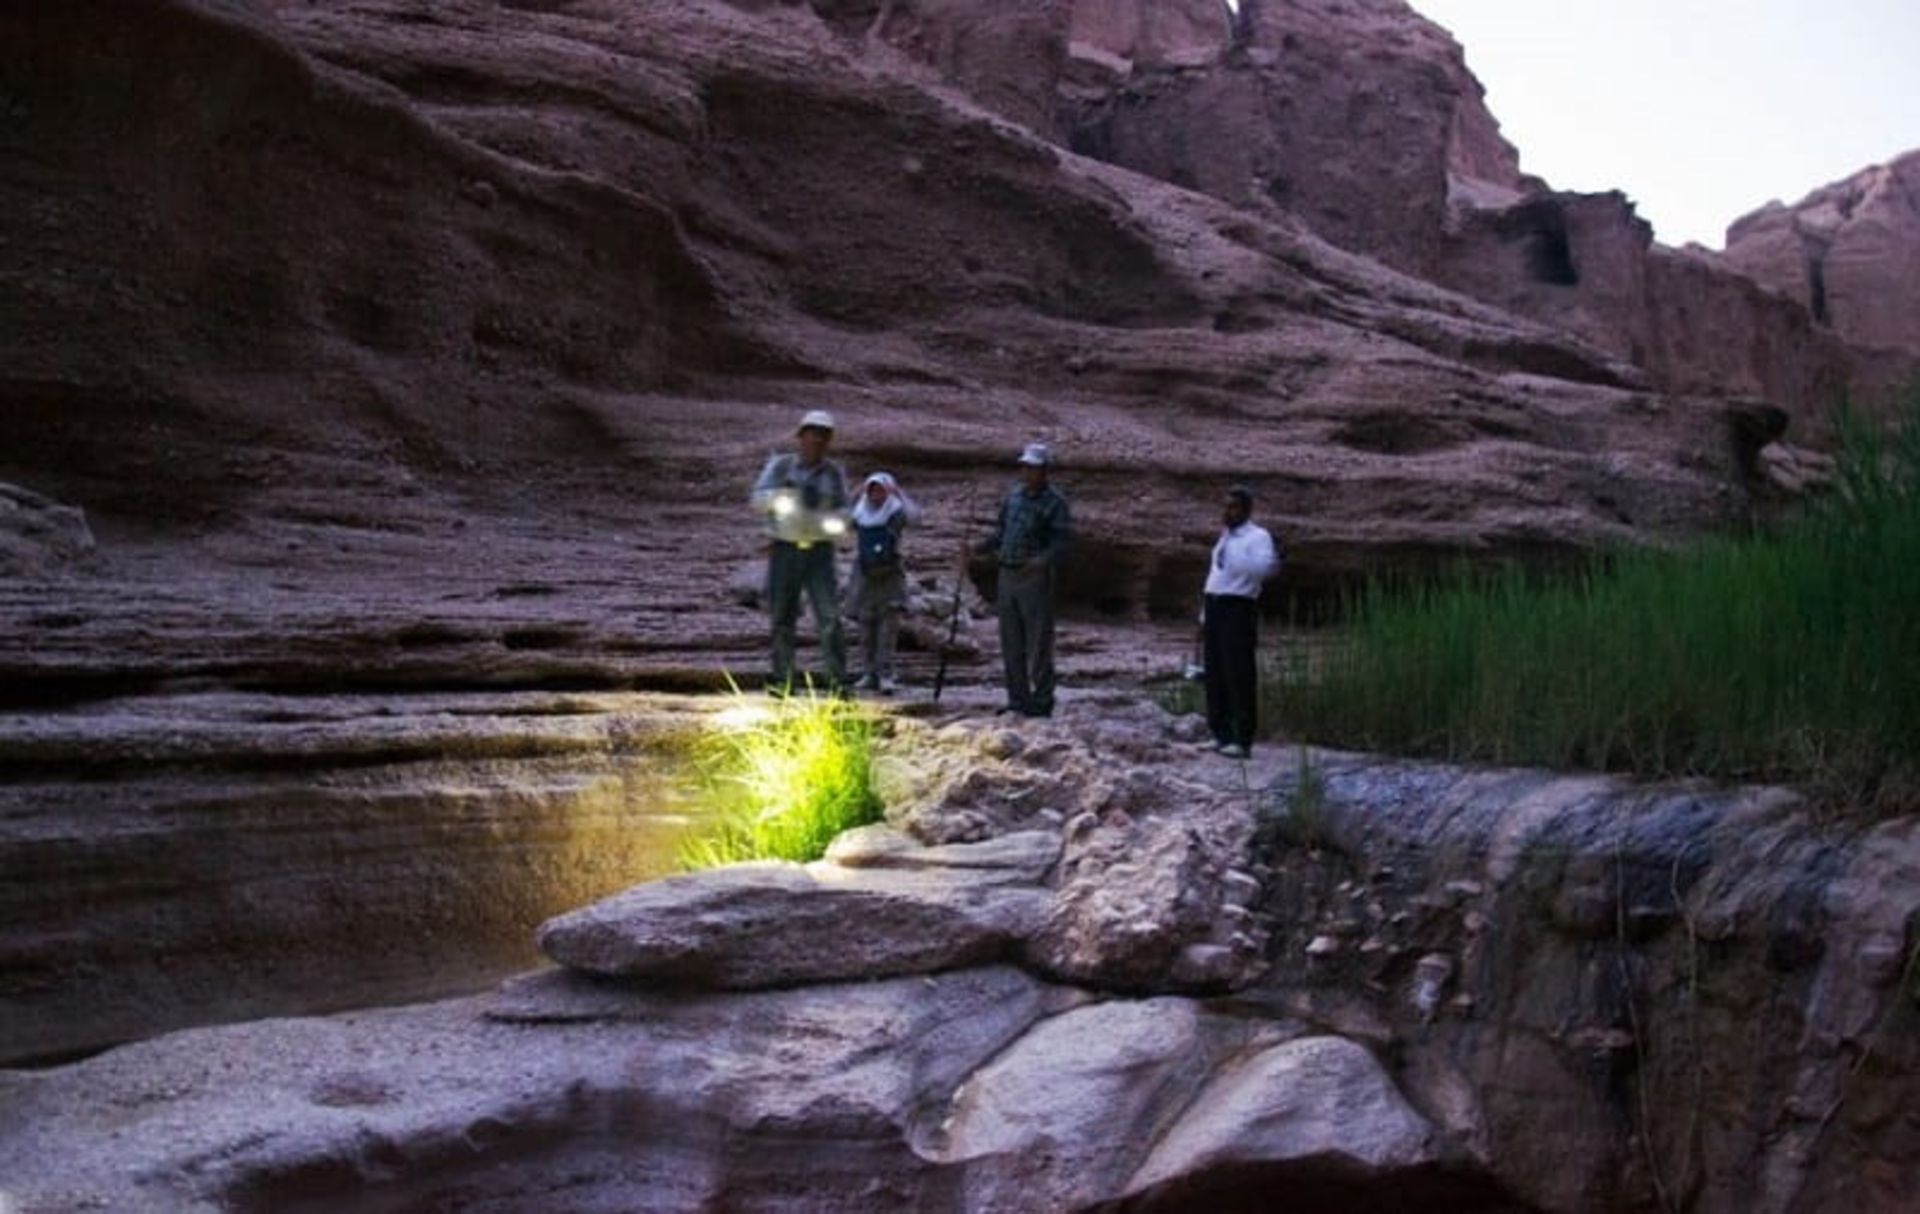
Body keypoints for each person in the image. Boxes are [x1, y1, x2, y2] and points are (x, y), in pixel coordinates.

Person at [750, 409, 850, 693]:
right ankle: (783, 679)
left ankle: (837, 681)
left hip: (820, 551)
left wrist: (836, 522)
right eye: (812, 433)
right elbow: (757, 499)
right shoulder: (781, 467)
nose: (817, 440)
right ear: (801, 436)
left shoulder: (833, 473)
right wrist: (781, 498)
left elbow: (845, 508)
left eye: (823, 435)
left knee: (829, 616)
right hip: (784, 548)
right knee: (782, 615)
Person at [977, 442, 1070, 717]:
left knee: (1038, 641)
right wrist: (979, 548)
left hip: (1034, 577)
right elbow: (1001, 532)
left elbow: (1062, 541)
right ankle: (1017, 700)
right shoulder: (1013, 497)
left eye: (1033, 468)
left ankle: (1042, 702)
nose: (1027, 472)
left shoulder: (1055, 502)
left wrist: (1041, 561)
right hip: (1007, 573)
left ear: (1044, 471)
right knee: (1011, 640)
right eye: (1025, 467)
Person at [1202, 485, 1280, 758]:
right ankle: (1219, 732)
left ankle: (1242, 737)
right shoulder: (1225, 537)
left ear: (1246, 510)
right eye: (1224, 506)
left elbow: (1265, 569)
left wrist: (1237, 557)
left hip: (1238, 605)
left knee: (1238, 672)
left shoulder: (1258, 537)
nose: (1227, 512)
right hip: (1215, 604)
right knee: (1215, 671)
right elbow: (1216, 573)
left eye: (1233, 507)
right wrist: (1204, 610)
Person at [847, 471, 921, 694]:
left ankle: (886, 675)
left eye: (881, 489)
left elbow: (915, 518)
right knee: (866, 628)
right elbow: (842, 519)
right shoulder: (860, 513)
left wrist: (899, 494)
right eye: (872, 489)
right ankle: (869, 673)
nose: (876, 494)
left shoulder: (896, 513)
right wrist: (854, 494)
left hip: (890, 576)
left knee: (888, 630)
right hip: (865, 576)